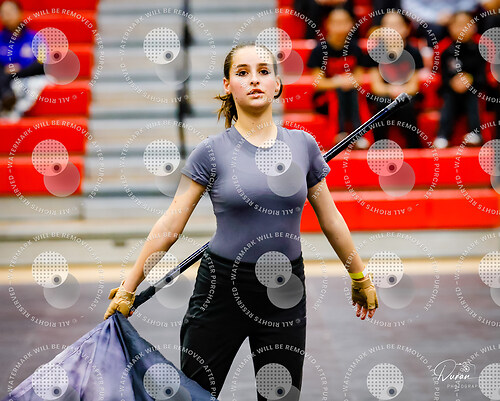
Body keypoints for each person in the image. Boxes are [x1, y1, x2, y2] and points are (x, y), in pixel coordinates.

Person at [104, 43, 378, 400]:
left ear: (277, 84)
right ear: (227, 84)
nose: (254, 80)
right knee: (195, 394)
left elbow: (331, 219)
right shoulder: (210, 151)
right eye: (243, 73)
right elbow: (171, 224)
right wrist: (129, 286)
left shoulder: (303, 145)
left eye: (264, 71)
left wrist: (359, 276)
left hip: (284, 290)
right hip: (220, 288)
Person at [307, 7, 369, 148]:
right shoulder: (319, 51)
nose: (340, 26)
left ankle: (357, 134)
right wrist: (339, 81)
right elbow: (318, 84)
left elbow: (359, 79)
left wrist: (348, 82)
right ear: (327, 24)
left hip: (351, 97)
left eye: (344, 22)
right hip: (325, 101)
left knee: (353, 91)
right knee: (339, 91)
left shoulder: (355, 49)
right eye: (336, 22)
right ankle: (340, 133)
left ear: (351, 24)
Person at [367, 11, 424, 148]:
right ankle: (379, 148)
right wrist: (392, 90)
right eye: (388, 26)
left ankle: (414, 147)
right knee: (382, 105)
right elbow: (376, 86)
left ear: (406, 28)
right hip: (384, 95)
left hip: (407, 95)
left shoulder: (414, 52)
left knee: (406, 105)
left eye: (397, 25)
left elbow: (414, 86)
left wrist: (401, 92)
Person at [433, 11, 485, 149]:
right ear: (450, 27)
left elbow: (484, 76)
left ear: (474, 26)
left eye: (466, 24)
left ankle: (475, 134)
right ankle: (442, 136)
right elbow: (439, 77)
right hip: (450, 90)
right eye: (457, 25)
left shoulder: (482, 47)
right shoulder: (443, 49)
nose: (462, 29)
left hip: (474, 90)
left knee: (473, 96)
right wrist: (452, 82)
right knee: (449, 99)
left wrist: (470, 80)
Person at [0, 0, 44, 112]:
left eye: (10, 11)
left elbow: (43, 62)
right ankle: (7, 97)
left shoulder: (35, 38)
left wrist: (20, 68)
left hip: (26, 73)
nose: (7, 15)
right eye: (3, 13)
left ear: (20, 13)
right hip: (4, 76)